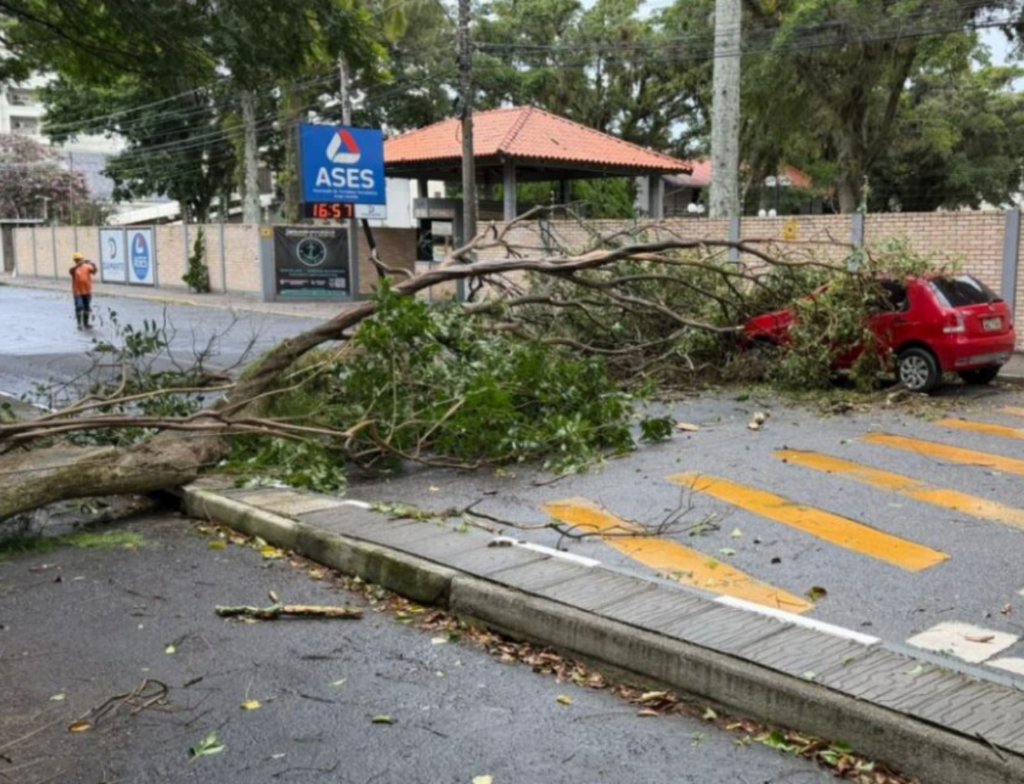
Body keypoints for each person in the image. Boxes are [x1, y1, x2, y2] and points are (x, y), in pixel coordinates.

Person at [70, 252, 97, 329]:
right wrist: (79, 264)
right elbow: (71, 270)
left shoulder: (87, 267)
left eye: (80, 259)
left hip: (87, 291)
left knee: (87, 307)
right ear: (75, 261)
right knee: (79, 306)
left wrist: (93, 264)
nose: (79, 261)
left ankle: (86, 323)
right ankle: (79, 323)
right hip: (77, 292)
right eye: (77, 260)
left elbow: (94, 271)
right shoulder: (73, 269)